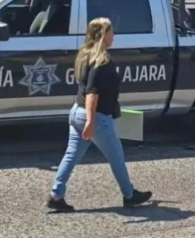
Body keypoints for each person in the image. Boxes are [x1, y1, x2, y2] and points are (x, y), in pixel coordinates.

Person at [47, 17, 152, 212]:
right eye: (111, 32)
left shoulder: (85, 55)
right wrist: (90, 121)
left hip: (76, 113)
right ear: (104, 35)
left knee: (71, 156)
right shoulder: (102, 62)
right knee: (116, 157)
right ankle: (129, 195)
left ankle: (56, 194)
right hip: (96, 117)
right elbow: (92, 94)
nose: (114, 35)